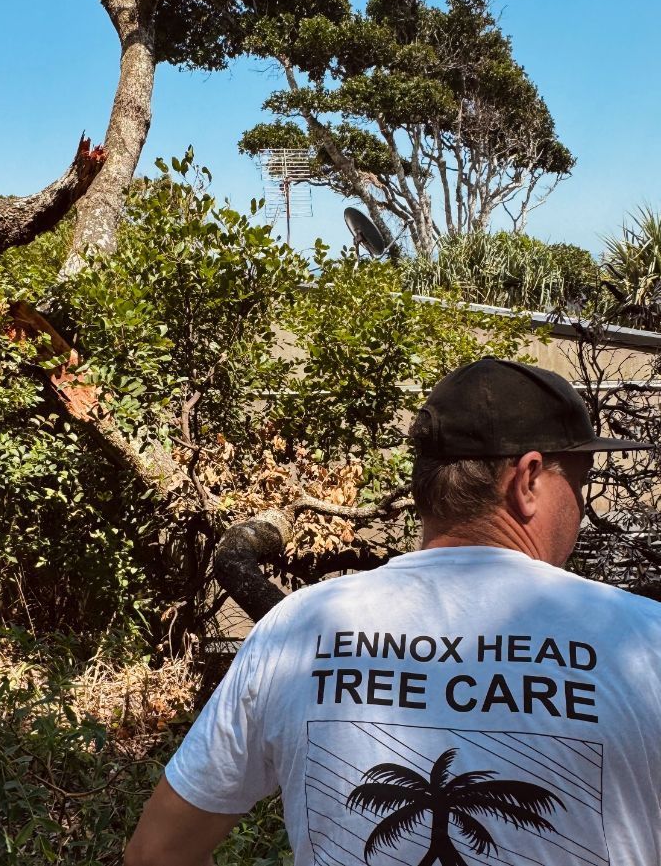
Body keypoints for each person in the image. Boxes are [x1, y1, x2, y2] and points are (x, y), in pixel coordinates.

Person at [125, 358, 661, 866]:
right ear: (528, 480)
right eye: (580, 481)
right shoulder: (645, 639)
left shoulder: (297, 628)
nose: (582, 505)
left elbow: (157, 852)